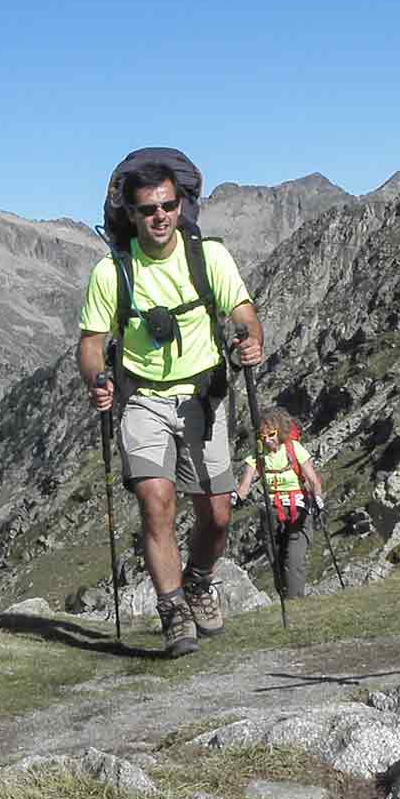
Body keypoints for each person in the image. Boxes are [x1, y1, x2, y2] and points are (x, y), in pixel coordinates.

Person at [78, 149, 264, 657]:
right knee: (156, 502)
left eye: (168, 205)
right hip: (142, 399)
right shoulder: (112, 273)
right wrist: (96, 378)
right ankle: (173, 609)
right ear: (131, 214)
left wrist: (250, 337)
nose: (160, 216)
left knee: (218, 514)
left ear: (181, 204)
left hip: (204, 397)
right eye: (148, 209)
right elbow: (92, 342)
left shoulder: (210, 257)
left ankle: (199, 580)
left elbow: (243, 310)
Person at [233, 408, 326, 599]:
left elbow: (313, 479)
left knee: (293, 560)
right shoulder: (258, 454)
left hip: (298, 510)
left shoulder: (294, 448)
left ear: (281, 431)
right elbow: (244, 485)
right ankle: (286, 597)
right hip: (272, 513)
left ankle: (294, 604)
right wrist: (235, 498)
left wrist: (317, 497)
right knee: (276, 561)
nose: (268, 440)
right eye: (263, 436)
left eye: (272, 435)